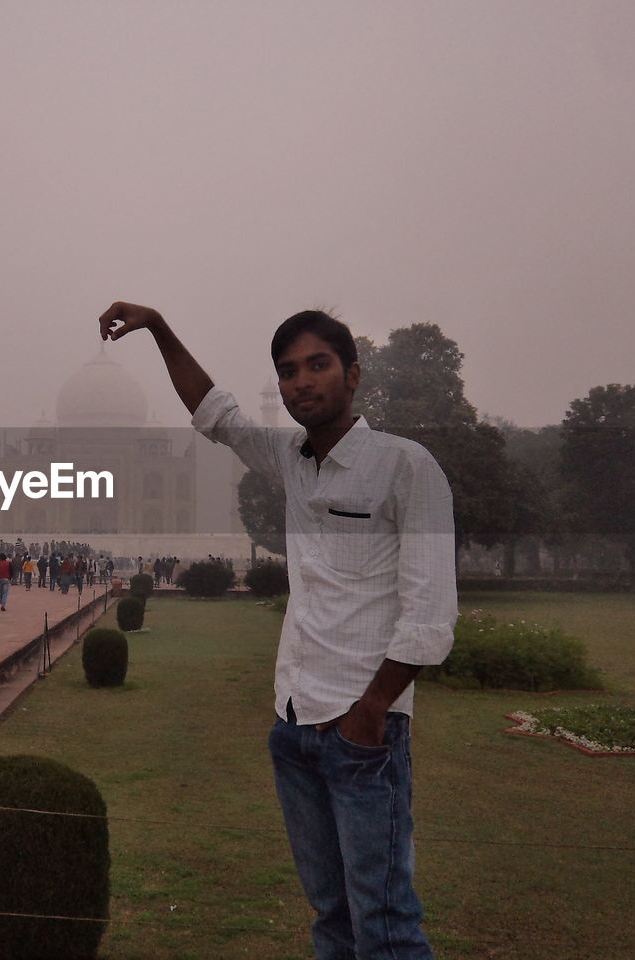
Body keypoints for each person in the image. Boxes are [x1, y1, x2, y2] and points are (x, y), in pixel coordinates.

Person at [100, 301, 456, 960]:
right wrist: (158, 327)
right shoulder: (293, 461)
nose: (302, 382)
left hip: (361, 730)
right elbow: (218, 415)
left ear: (353, 375)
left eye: (318, 365)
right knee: (331, 915)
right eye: (288, 371)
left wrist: (371, 711)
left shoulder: (407, 467)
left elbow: (431, 615)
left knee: (384, 923)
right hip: (294, 724)